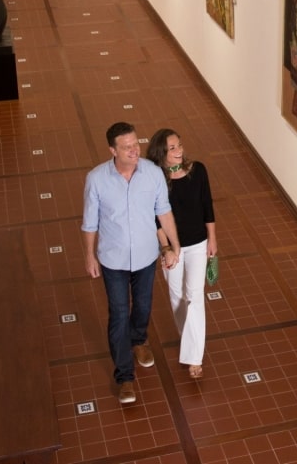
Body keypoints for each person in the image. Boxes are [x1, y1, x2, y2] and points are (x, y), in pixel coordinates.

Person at [82, 122, 181, 405]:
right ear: (112, 150)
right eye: (127, 147)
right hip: (112, 259)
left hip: (146, 256)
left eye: (136, 144)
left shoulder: (152, 174)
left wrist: (175, 245)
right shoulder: (97, 179)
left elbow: (163, 212)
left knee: (144, 305)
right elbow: (90, 223)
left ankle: (139, 340)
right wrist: (89, 255)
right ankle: (125, 376)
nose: (134, 150)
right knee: (118, 313)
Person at [146, 128, 217, 380]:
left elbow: (207, 205)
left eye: (179, 145)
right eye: (172, 148)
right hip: (172, 248)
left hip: (198, 243)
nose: (179, 151)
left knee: (195, 296)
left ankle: (194, 356)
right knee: (177, 297)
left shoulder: (198, 170)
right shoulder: (155, 180)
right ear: (160, 154)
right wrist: (166, 249)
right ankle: (190, 339)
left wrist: (212, 239)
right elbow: (155, 218)